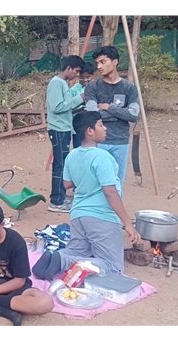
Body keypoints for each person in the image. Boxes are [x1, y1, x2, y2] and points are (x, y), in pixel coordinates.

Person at [32, 112, 142, 281]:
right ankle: (63, 260)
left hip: (78, 214)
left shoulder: (72, 155)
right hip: (101, 216)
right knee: (113, 266)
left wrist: (85, 178)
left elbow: (67, 184)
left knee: (78, 251)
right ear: (90, 131)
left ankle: (57, 257)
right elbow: (110, 191)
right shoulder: (102, 157)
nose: (105, 128)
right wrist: (128, 223)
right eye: (101, 125)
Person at [84, 46, 140, 195]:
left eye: (103, 62)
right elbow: (92, 115)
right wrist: (121, 112)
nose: (99, 66)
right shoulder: (92, 87)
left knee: (117, 183)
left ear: (115, 62)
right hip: (98, 142)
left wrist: (108, 108)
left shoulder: (130, 88)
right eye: (97, 63)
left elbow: (134, 115)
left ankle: (116, 210)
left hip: (121, 141)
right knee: (96, 183)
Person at [46, 55, 85, 213]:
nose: (77, 74)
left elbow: (65, 107)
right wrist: (79, 99)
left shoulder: (63, 83)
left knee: (62, 164)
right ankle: (56, 202)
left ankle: (60, 198)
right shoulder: (56, 83)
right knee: (60, 165)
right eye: (76, 71)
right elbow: (57, 107)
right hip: (58, 130)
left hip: (63, 129)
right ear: (68, 68)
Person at [69, 61, 97, 149]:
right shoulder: (73, 90)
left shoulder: (97, 88)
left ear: (93, 76)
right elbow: (68, 109)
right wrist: (80, 109)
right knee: (79, 149)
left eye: (88, 77)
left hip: (94, 127)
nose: (85, 80)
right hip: (78, 128)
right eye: (82, 77)